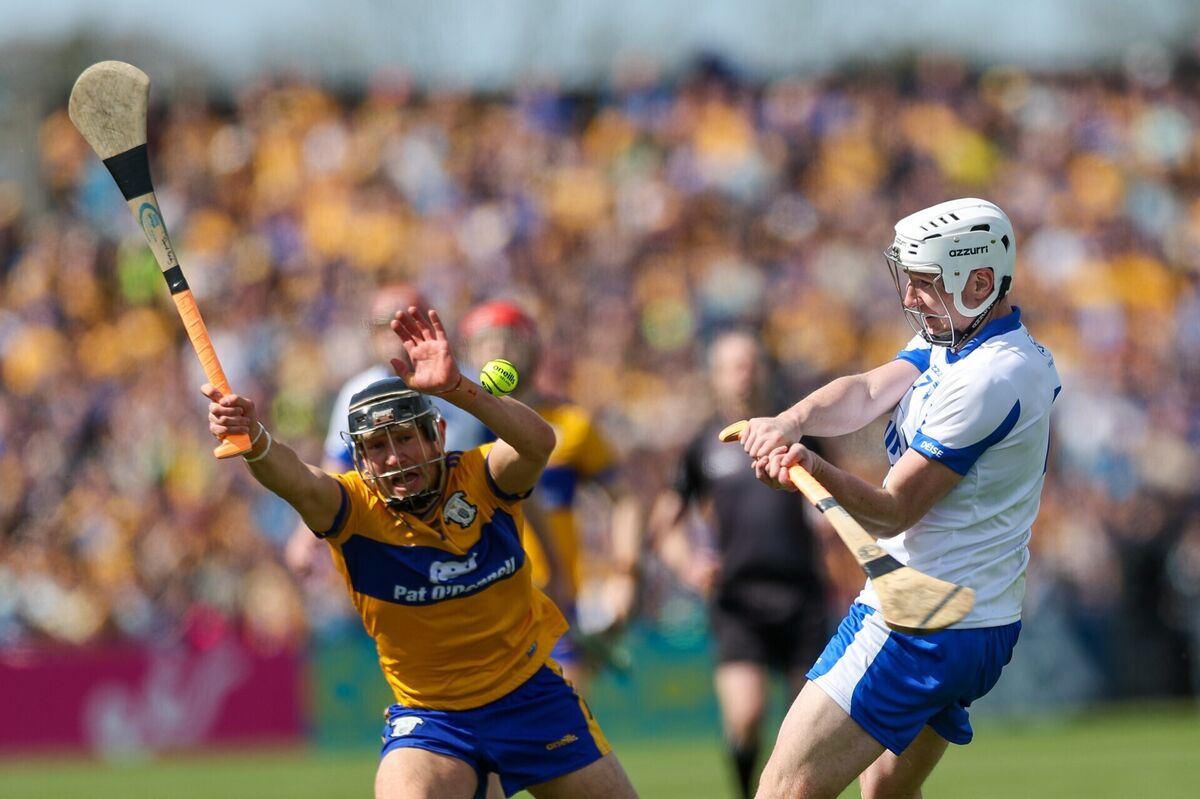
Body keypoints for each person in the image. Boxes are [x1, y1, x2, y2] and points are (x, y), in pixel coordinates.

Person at [204, 306, 639, 799]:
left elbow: (539, 444)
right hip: (434, 721)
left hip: (531, 697)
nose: (394, 457)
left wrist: (458, 389)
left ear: (438, 435)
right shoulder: (351, 507)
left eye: (406, 438)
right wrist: (254, 440)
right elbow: (295, 479)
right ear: (359, 458)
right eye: (376, 447)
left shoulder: (480, 476)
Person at [736, 198, 1060, 799]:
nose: (910, 299)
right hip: (974, 620)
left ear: (980, 281)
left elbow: (894, 509)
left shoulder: (991, 376)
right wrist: (792, 420)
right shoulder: (959, 342)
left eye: (927, 285)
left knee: (783, 791)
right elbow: (864, 391)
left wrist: (811, 465)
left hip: (918, 619)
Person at [649, 330, 830, 799]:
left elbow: (838, 497)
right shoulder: (704, 445)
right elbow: (666, 522)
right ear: (715, 378)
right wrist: (689, 564)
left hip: (801, 592)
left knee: (807, 726)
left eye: (751, 363)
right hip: (738, 598)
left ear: (765, 370)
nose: (744, 374)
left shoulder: (800, 433)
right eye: (733, 365)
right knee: (746, 716)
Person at [458, 299, 642, 694]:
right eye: (487, 341)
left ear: (534, 348)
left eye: (511, 339)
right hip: (472, 601)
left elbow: (624, 499)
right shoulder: (455, 426)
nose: (500, 351)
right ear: (468, 353)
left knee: (565, 729)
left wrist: (624, 572)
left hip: (553, 600)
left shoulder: (570, 423)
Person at [284, 282, 490, 578]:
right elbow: (336, 473)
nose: (394, 339)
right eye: (384, 328)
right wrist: (304, 537)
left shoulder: (468, 385)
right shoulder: (357, 394)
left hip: (469, 534)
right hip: (397, 546)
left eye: (404, 324)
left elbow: (507, 463)